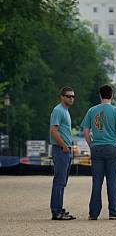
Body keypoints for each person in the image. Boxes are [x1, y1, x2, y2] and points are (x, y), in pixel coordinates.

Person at [81, 85, 116, 220]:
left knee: (97, 181)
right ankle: (113, 212)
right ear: (111, 95)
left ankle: (93, 213)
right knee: (112, 181)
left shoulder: (92, 110)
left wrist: (92, 145)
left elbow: (85, 131)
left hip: (97, 148)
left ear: (100, 95)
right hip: (112, 148)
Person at [49, 86, 76, 220]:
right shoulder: (58, 110)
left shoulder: (65, 111)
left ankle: (59, 208)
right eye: (68, 96)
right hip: (61, 150)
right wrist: (64, 146)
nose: (71, 98)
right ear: (62, 97)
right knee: (59, 181)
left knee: (62, 181)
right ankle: (56, 211)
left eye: (73, 96)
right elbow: (53, 130)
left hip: (65, 149)